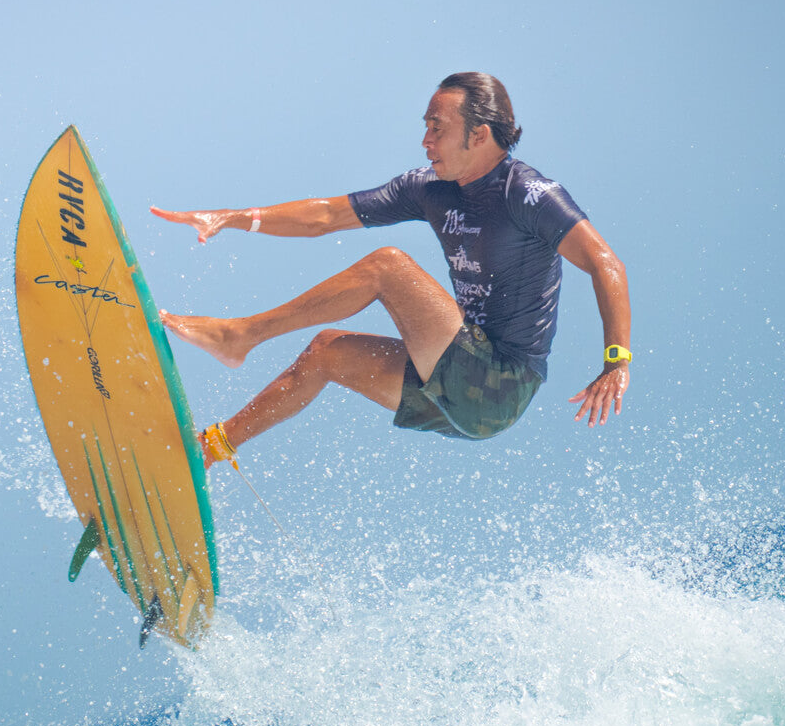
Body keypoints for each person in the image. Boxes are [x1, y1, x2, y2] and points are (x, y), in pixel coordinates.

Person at [152, 72, 630, 468]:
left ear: (479, 134)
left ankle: (240, 336)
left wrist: (616, 361)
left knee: (388, 266)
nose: (425, 142)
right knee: (326, 353)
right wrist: (233, 218)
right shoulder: (429, 189)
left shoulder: (527, 194)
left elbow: (606, 264)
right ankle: (210, 449)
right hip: (453, 388)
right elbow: (326, 216)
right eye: (425, 127)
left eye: (436, 128)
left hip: (501, 382)